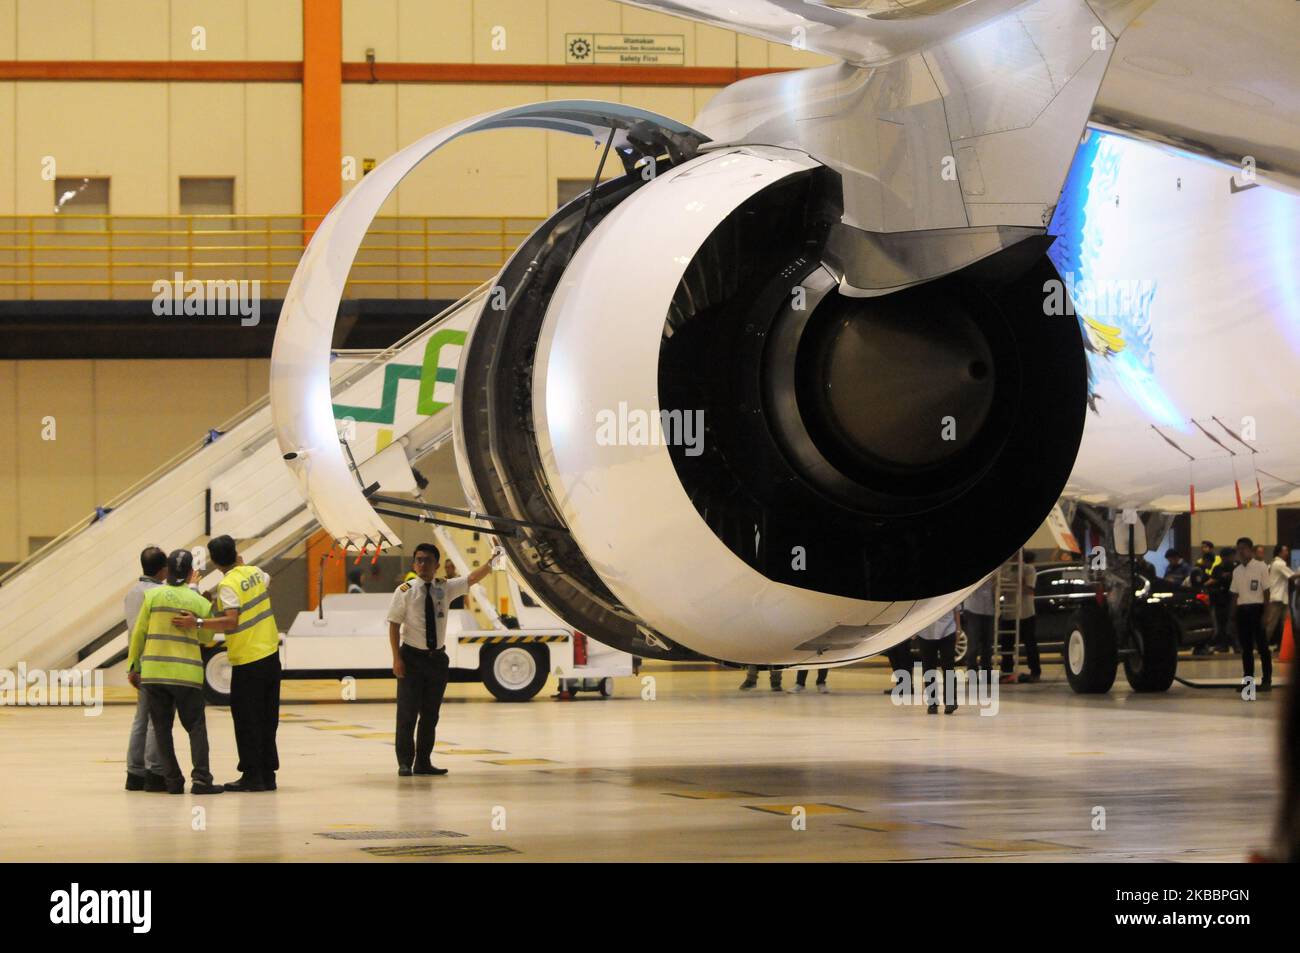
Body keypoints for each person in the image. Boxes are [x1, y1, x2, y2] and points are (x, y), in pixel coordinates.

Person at [175, 534, 281, 792]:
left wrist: (197, 622)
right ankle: (268, 774)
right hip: (270, 654)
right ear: (236, 553)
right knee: (268, 717)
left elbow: (231, 620)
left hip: (248, 659)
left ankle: (252, 776)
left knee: (246, 719)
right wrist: (241, 566)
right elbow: (266, 582)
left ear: (214, 562)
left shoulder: (228, 586)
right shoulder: (254, 572)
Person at [388, 542, 497, 776]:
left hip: (436, 660)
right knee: (407, 713)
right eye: (418, 559)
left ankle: (423, 762)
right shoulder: (405, 591)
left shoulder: (444, 588)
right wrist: (397, 658)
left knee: (430, 714)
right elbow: (394, 625)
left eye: (428, 560)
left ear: (437, 565)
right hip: (412, 658)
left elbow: (472, 579)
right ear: (413, 563)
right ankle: (405, 763)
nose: (422, 564)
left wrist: (493, 561)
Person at [125, 549, 224, 795]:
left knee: (161, 728)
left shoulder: (153, 596)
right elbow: (207, 636)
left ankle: (173, 781)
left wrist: (134, 666)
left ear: (168, 570)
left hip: (155, 674)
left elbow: (139, 634)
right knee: (196, 728)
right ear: (191, 572)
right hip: (186, 675)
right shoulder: (199, 601)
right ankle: (201, 780)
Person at [123, 546, 168, 792]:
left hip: (138, 660)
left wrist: (133, 665)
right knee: (156, 719)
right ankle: (155, 772)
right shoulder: (161, 593)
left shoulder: (132, 592)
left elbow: (133, 632)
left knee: (140, 719)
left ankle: (134, 773)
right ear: (163, 569)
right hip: (157, 661)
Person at [1229, 536, 1272, 693]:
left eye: (1244, 548)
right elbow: (1234, 595)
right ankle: (1248, 681)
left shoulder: (1261, 567)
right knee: (1246, 649)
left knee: (1262, 647)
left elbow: (1267, 592)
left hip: (1257, 609)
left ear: (1251, 550)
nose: (1241, 552)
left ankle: (1267, 680)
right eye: (1239, 549)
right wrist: (1232, 617)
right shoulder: (1237, 571)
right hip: (1243, 611)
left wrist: (1266, 614)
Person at [1000, 551, 1041, 684]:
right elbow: (1001, 588)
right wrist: (1016, 585)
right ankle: (1007, 672)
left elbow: (1030, 589)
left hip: (1026, 613)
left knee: (1030, 644)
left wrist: (1016, 586)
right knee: (1006, 645)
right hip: (1009, 612)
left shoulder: (1028, 569)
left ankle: (1035, 672)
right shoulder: (1005, 569)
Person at [917, 608, 961, 714]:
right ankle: (932, 703)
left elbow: (956, 608)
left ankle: (950, 701)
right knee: (928, 668)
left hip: (948, 629)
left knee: (948, 666)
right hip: (925, 631)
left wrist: (958, 629)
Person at [963, 573, 998, 684]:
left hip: (988, 609)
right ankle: (972, 674)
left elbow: (994, 590)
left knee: (987, 645)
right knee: (973, 644)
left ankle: (987, 674)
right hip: (973, 608)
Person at [1265, 544, 1294, 649]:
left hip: (1282, 598)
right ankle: (1262, 645)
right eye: (1285, 550)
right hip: (1277, 598)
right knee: (1271, 624)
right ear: (1279, 552)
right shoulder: (1278, 564)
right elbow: (1292, 576)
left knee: (1286, 623)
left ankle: (1284, 646)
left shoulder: (1274, 563)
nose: (1287, 552)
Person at [1209, 546, 1237, 653]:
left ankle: (1236, 645)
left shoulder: (1236, 567)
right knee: (1221, 623)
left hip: (1233, 598)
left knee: (1233, 623)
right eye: (1229, 556)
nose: (1231, 558)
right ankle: (1223, 644)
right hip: (1220, 599)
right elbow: (1214, 581)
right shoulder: (1217, 568)